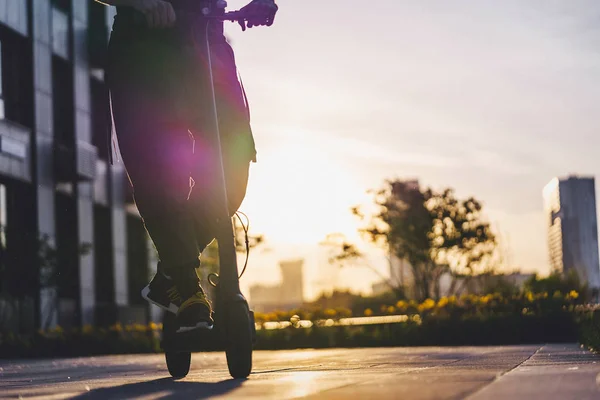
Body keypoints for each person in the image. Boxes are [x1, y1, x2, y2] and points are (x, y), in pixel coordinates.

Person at [96, 0, 277, 332]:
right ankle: (185, 287)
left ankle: (170, 275)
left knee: (232, 162)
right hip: (145, 47)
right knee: (156, 170)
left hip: (207, 43)